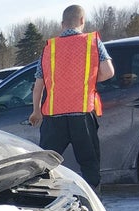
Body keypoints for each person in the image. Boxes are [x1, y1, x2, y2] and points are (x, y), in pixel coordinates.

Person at [28, 5, 114, 188]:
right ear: (82, 20)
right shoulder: (92, 41)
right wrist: (87, 80)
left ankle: (43, 197)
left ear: (62, 24)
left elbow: (38, 86)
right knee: (89, 165)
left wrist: (36, 111)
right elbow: (108, 72)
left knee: (44, 165)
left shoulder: (49, 48)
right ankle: (93, 199)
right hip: (82, 114)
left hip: (54, 117)